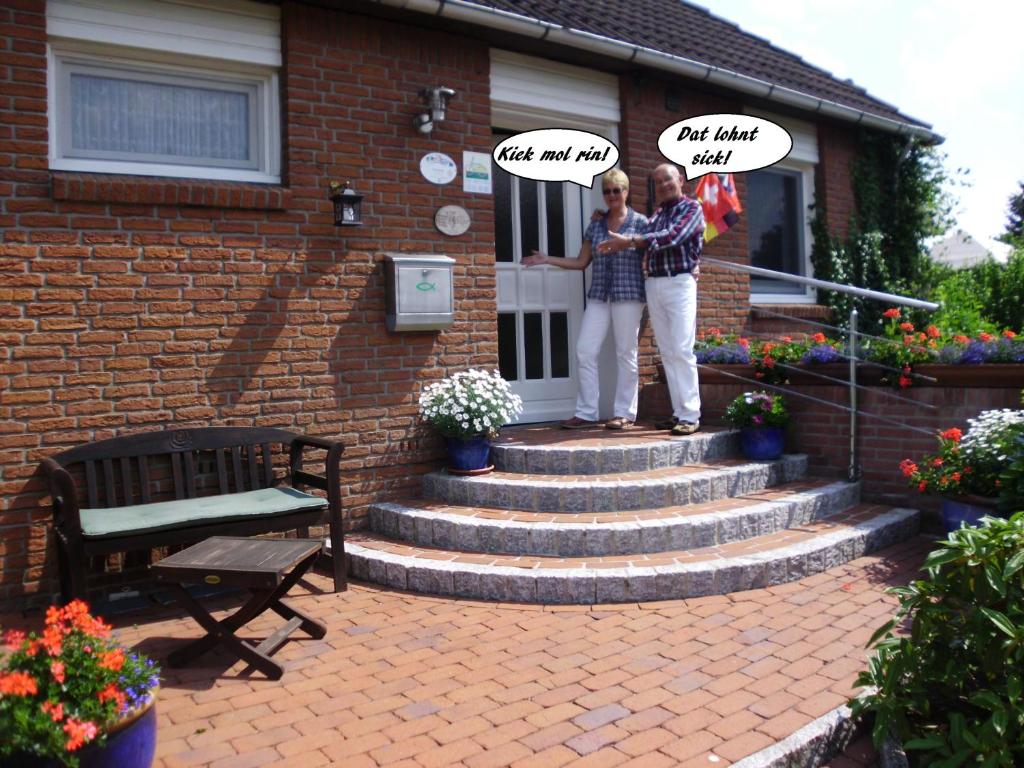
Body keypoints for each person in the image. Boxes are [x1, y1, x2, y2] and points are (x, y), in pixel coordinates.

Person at [522, 168, 648, 430]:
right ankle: (587, 412)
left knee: (626, 353)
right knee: (585, 350)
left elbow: (654, 251)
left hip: (629, 295)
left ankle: (625, 413)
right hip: (600, 295)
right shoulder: (596, 225)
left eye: (617, 190)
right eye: (607, 191)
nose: (612, 195)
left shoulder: (640, 223)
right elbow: (581, 262)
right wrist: (547, 259)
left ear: (626, 192)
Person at [598, 163, 704, 436]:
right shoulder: (657, 213)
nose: (664, 185)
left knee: (682, 350)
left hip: (679, 282)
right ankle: (679, 412)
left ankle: (691, 414)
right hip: (654, 283)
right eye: (658, 182)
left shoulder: (692, 208)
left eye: (667, 180)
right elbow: (650, 234)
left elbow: (673, 237)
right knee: (668, 352)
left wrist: (632, 240)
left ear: (679, 179)